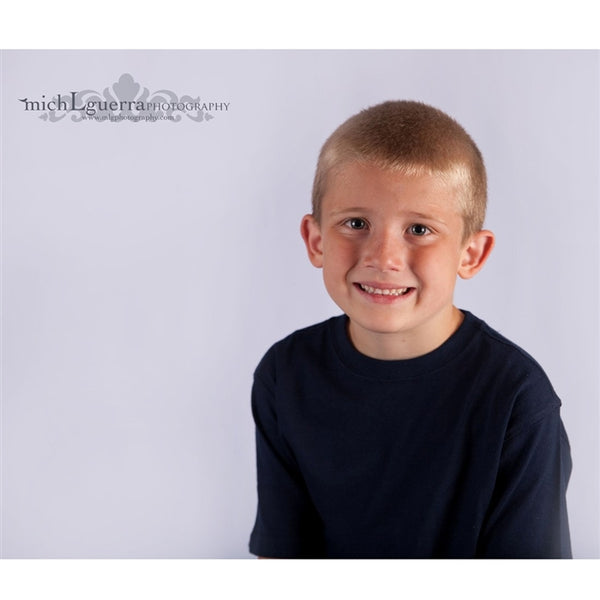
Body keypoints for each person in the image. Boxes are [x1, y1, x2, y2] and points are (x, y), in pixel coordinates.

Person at [249, 100, 572, 558]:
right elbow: (283, 555)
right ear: (316, 239)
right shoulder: (285, 373)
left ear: (471, 254)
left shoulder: (517, 399)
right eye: (355, 223)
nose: (383, 258)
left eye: (419, 229)